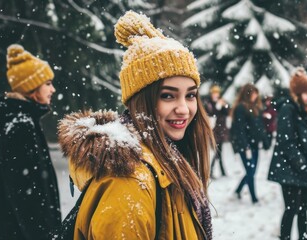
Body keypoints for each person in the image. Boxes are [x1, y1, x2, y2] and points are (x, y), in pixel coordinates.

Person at [57, 11, 215, 239]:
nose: (184, 108)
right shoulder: (130, 182)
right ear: (141, 102)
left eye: (190, 95)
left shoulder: (168, 162)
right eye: (168, 96)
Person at [0, 44, 61, 240]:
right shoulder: (20, 126)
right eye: (47, 83)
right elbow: (27, 201)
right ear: (31, 87)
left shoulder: (16, 120)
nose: (52, 89)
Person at [267, 68, 307, 240]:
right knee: (291, 209)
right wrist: (302, 164)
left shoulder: (302, 111)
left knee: (303, 209)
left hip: (302, 169)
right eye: (306, 93)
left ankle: (303, 237)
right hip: (289, 169)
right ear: (297, 93)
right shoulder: (288, 110)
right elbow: (286, 142)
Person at [230, 83, 269, 204]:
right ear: (247, 94)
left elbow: (259, 127)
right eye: (253, 93)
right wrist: (245, 146)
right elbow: (239, 129)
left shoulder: (255, 107)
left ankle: (237, 191)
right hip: (245, 146)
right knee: (251, 171)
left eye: (256, 93)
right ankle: (254, 198)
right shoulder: (241, 108)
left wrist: (265, 141)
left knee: (251, 172)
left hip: (254, 145)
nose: (256, 96)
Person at [203, 84, 230, 178]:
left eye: (217, 93)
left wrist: (223, 106)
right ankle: (212, 170)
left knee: (219, 151)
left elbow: (227, 112)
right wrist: (216, 108)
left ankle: (221, 170)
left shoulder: (221, 101)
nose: (215, 95)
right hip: (213, 131)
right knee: (216, 151)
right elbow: (210, 115)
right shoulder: (209, 103)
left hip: (221, 130)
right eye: (214, 93)